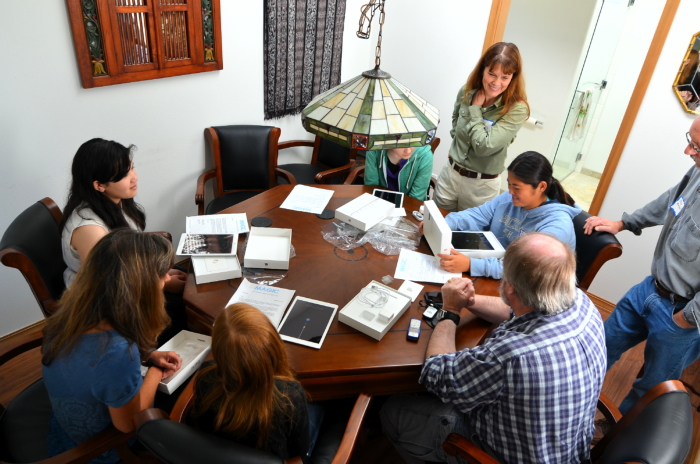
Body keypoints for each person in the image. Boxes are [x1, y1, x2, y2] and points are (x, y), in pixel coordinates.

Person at [380, 233, 606, 464]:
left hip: (502, 455)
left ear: (509, 288)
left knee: (392, 411)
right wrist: (469, 301)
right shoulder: (582, 302)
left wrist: (450, 311)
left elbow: (436, 374)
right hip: (566, 452)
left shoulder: (512, 354)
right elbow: (517, 310)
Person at [582, 117, 700, 413]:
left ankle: (611, 446)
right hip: (649, 290)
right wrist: (623, 223)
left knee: (650, 391)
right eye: (690, 140)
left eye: (696, 146)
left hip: (680, 315)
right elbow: (669, 202)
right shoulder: (696, 172)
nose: (687, 151)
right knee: (599, 348)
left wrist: (685, 319)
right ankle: (568, 409)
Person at [42, 229, 182, 464]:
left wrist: (148, 356)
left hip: (63, 424)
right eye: (162, 274)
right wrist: (156, 372)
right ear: (141, 287)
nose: (167, 279)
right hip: (98, 450)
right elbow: (129, 424)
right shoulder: (116, 353)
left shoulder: (72, 313)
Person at [61, 138, 187, 341]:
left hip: (126, 276)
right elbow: (113, 282)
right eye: (124, 175)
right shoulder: (90, 230)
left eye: (132, 168)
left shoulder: (115, 201)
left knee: (184, 274)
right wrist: (162, 281)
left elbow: (127, 256)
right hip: (104, 300)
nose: (134, 177)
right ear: (99, 185)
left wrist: (160, 272)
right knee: (179, 307)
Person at [188, 303, 321, 463]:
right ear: (274, 346)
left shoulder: (206, 374)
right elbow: (300, 451)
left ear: (218, 351)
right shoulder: (289, 393)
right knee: (329, 405)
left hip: (223, 456)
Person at [432, 151, 580, 279]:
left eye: (516, 187)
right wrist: (443, 224)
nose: (510, 192)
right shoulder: (512, 198)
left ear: (541, 186)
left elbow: (523, 268)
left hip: (528, 287)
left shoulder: (557, 226)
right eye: (509, 184)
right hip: (496, 269)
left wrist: (471, 265)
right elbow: (479, 215)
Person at [434, 42, 529, 212]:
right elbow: (456, 123)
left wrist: (475, 110)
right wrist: (458, 149)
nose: (497, 82)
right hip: (451, 175)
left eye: (505, 77)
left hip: (481, 186)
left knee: (466, 236)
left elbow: (484, 147)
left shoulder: (517, 109)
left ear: (513, 77)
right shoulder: (467, 91)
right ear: (482, 70)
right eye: (492, 74)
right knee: (434, 225)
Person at [363, 145, 433, 200]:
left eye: (413, 143)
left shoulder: (425, 156)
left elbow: (417, 196)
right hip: (379, 201)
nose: (408, 150)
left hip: (409, 205)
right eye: (402, 144)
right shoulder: (374, 149)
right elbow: (371, 186)